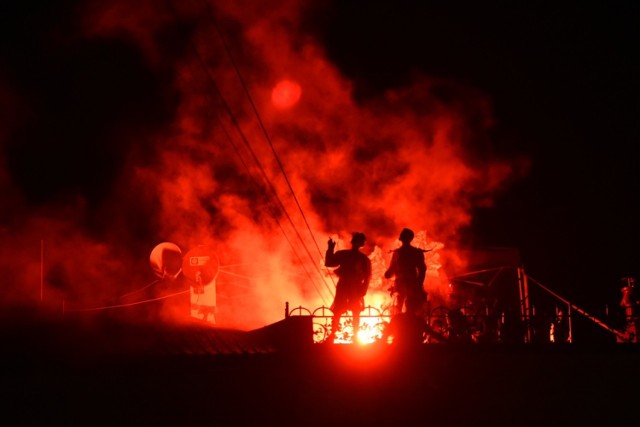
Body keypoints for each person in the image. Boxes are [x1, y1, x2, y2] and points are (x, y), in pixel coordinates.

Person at [325, 232, 372, 343]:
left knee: (353, 310)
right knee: (340, 310)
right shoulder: (347, 255)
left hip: (354, 287)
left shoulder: (362, 258)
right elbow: (329, 262)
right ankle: (334, 333)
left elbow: (367, 276)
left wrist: (364, 289)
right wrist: (330, 248)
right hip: (346, 285)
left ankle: (353, 335)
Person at [384, 228, 427, 315]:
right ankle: (402, 324)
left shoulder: (401, 252)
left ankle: (402, 324)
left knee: (403, 307)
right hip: (407, 283)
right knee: (404, 307)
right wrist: (419, 283)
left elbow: (422, 269)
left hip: (407, 283)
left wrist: (419, 284)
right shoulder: (403, 252)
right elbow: (422, 269)